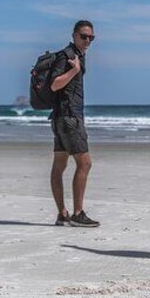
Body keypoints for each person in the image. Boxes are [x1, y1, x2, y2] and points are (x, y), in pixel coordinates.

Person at [49, 20, 99, 228]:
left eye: (91, 37)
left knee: (59, 165)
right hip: (70, 118)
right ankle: (77, 213)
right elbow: (54, 84)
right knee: (85, 163)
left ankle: (62, 214)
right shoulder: (68, 57)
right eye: (83, 36)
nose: (87, 40)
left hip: (63, 117)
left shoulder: (77, 55)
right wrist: (74, 71)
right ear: (74, 35)